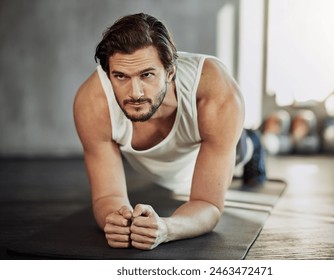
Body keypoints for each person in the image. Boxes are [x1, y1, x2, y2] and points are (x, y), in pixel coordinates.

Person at [73, 13, 265, 250]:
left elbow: (208, 204)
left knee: (242, 150)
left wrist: (166, 229)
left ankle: (253, 140)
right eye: (120, 76)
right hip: (161, 171)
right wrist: (116, 221)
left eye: (147, 75)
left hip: (207, 154)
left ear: (170, 72)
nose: (135, 93)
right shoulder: (91, 103)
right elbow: (107, 197)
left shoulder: (216, 93)